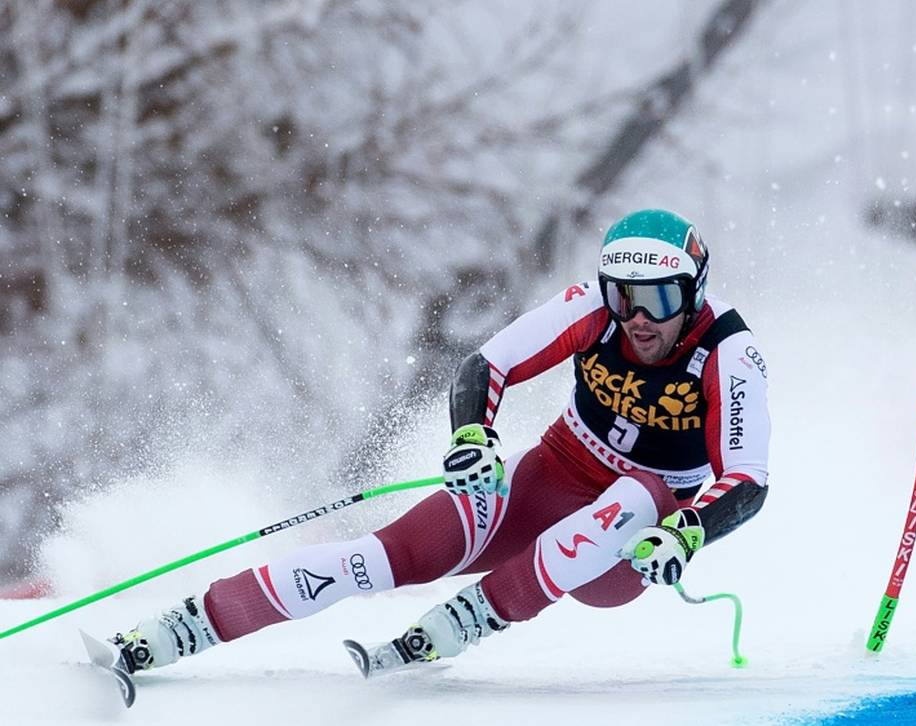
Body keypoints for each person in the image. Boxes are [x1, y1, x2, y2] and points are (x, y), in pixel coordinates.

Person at [103, 208, 771, 679]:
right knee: (383, 556)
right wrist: (474, 437)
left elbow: (748, 479)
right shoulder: (591, 311)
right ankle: (181, 628)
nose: (638, 319)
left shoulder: (727, 354)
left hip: (627, 544)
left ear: (693, 291)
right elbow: (488, 364)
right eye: (624, 298)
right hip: (546, 482)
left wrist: (685, 534)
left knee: (637, 491)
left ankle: (470, 619)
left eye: (657, 299)